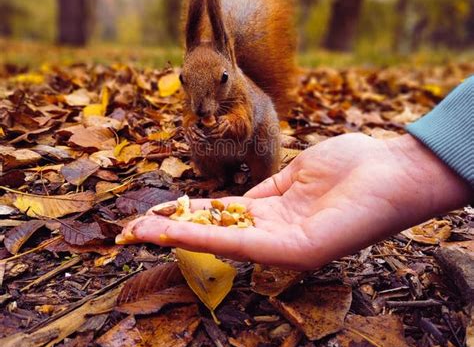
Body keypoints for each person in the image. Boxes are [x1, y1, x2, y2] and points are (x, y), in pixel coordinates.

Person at [119, 76, 473, 269]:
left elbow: (245, 125)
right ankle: (221, 176)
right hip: (221, 157)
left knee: (257, 141)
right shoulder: (196, 97)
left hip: (253, 146)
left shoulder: (243, 94)